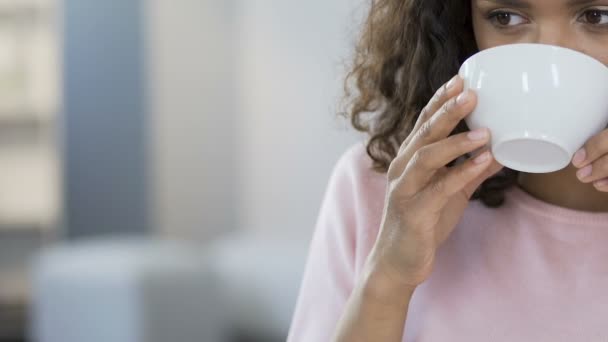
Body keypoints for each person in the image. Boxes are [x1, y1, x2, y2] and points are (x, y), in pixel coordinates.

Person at [287, 0, 608, 341]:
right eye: (505, 17)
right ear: (463, 23)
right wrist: (389, 277)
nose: (548, 53)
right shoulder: (382, 187)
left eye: (598, 17)